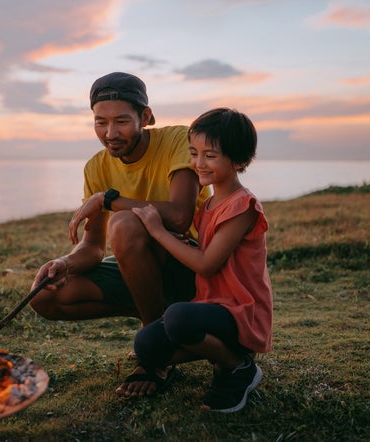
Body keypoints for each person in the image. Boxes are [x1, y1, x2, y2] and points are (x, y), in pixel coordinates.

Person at [115, 108, 273, 414]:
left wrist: (158, 231)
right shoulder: (210, 204)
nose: (198, 163)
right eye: (193, 153)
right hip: (211, 306)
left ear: (239, 161)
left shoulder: (242, 206)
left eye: (210, 156)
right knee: (146, 346)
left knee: (178, 318)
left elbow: (206, 264)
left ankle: (237, 366)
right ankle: (218, 352)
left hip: (240, 313)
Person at [30, 72, 210, 330]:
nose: (110, 133)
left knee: (125, 223)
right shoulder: (96, 167)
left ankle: (155, 342)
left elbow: (180, 217)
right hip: (141, 271)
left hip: (192, 263)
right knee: (46, 294)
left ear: (145, 117)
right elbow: (93, 248)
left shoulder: (178, 140)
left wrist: (108, 200)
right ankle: (155, 313)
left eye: (122, 121)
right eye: (100, 122)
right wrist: (64, 263)